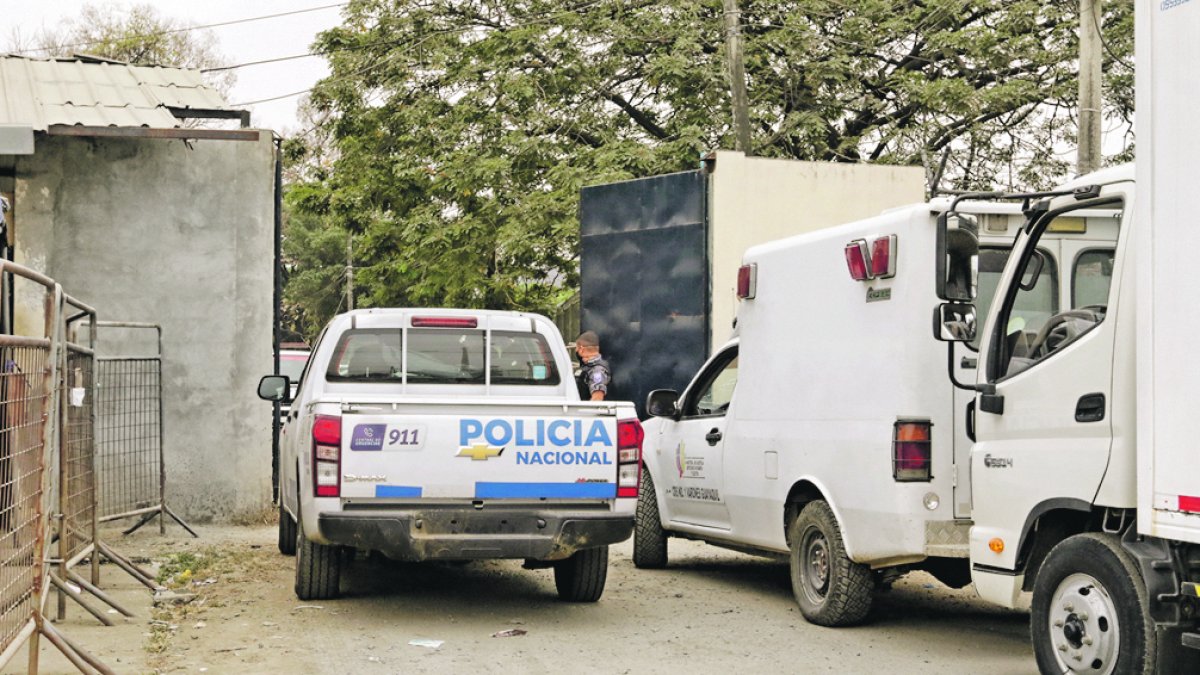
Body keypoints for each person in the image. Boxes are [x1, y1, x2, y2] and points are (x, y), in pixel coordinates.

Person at [574, 331, 610, 401]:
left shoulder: (597, 370)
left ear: (581, 349)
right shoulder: (588, 367)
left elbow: (597, 398)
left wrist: (586, 412)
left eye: (577, 348)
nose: (576, 350)